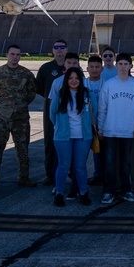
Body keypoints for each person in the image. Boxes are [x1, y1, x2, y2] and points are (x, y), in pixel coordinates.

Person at [0, 44, 38, 190]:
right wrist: (0, 107)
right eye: (13, 54)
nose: (15, 57)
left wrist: (20, 105)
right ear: (7, 54)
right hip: (2, 117)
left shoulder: (26, 74)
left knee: (23, 149)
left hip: (21, 118)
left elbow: (31, 93)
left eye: (18, 55)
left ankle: (24, 177)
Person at [97, 53, 134, 204]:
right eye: (121, 64)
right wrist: (101, 128)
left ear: (130, 66)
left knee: (125, 163)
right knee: (110, 162)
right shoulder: (109, 84)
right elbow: (102, 108)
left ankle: (126, 190)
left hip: (128, 132)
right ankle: (108, 191)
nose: (123, 67)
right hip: (110, 130)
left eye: (126, 64)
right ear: (116, 66)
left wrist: (132, 126)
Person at [51, 67, 95, 207]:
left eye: (77, 78)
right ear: (66, 80)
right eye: (71, 78)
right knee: (63, 166)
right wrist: (60, 128)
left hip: (83, 136)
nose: (74, 81)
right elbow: (52, 115)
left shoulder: (87, 95)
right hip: (63, 137)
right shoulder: (60, 95)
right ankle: (59, 193)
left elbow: (95, 113)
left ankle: (83, 193)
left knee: (80, 167)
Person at [35, 39, 67, 185]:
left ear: (66, 50)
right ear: (52, 50)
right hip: (50, 110)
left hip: (68, 112)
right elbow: (40, 88)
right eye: (56, 47)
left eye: (62, 47)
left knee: (68, 142)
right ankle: (50, 174)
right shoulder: (46, 68)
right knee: (49, 141)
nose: (59, 50)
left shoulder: (71, 67)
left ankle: (70, 173)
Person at [84, 54, 106, 185]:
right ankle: (79, 176)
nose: (94, 69)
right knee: (83, 152)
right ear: (87, 68)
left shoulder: (107, 83)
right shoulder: (83, 83)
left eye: (97, 66)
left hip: (101, 124)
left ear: (102, 69)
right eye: (91, 67)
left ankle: (99, 175)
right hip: (86, 124)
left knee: (99, 152)